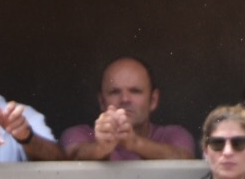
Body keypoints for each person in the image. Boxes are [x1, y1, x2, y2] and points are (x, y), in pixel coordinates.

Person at [61, 57, 196, 161]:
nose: (125, 99)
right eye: (115, 92)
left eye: (135, 91)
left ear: (153, 100)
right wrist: (101, 148)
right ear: (102, 101)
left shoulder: (175, 135)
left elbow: (185, 159)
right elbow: (72, 156)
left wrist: (134, 142)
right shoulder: (78, 134)